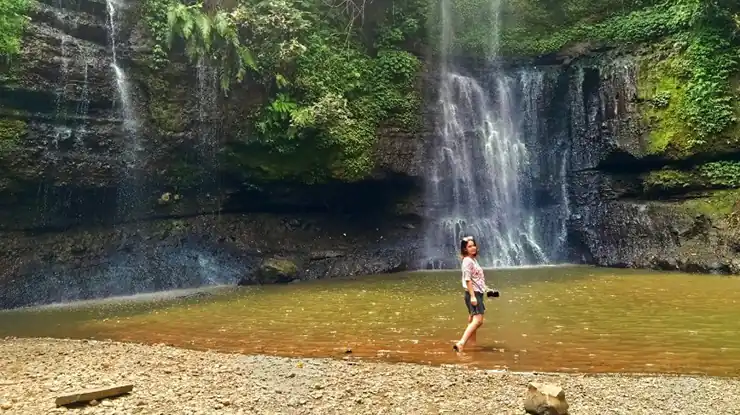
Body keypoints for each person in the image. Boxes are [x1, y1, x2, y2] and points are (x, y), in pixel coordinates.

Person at [453, 235, 488, 352]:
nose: (473, 248)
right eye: (469, 246)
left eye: (473, 245)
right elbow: (467, 279)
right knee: (478, 320)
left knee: (472, 318)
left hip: (476, 292)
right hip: (473, 294)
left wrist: (487, 289)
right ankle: (461, 343)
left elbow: (475, 279)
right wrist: (473, 297)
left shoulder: (473, 260)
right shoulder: (467, 261)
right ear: (465, 249)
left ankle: (472, 344)